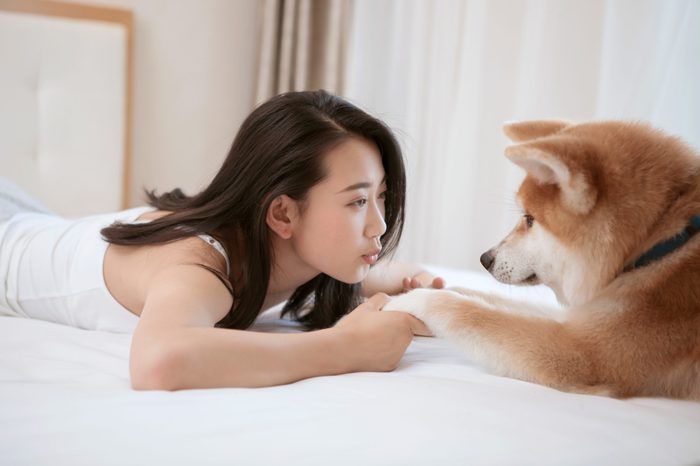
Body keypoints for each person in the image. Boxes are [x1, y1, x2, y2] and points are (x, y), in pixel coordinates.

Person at [0, 90, 444, 390]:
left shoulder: (281, 247)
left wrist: (408, 280)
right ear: (283, 213)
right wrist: (344, 349)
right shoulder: (200, 268)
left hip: (34, 219)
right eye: (357, 202)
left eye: (381, 197)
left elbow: (371, 271)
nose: (379, 226)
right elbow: (158, 361)